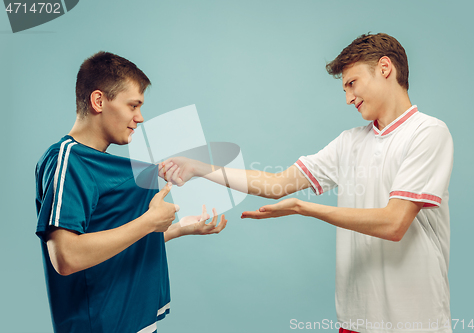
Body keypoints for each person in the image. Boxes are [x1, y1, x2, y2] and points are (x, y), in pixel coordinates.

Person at [160, 33, 454, 333]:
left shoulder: (428, 133)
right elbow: (276, 183)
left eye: (352, 83)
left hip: (416, 323)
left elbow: (394, 223)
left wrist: (305, 208)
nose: (348, 98)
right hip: (355, 321)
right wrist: (198, 168)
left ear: (384, 68)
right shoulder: (349, 142)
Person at [35, 51, 227, 333]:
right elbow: (66, 257)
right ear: (99, 101)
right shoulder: (67, 160)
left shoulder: (111, 164)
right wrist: (149, 222)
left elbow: (114, 242)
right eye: (133, 105)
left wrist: (177, 229)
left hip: (137, 322)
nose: (140, 117)